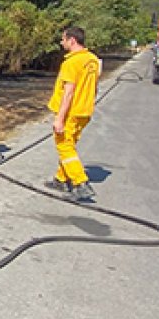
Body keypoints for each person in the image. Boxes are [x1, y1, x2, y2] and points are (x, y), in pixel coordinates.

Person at [45, 26, 101, 202]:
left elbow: (68, 92)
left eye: (63, 39)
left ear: (72, 40)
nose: (62, 43)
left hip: (71, 111)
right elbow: (94, 86)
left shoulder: (71, 62)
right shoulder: (92, 60)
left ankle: (80, 183)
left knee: (64, 146)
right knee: (70, 144)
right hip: (85, 111)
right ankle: (61, 179)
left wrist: (59, 118)